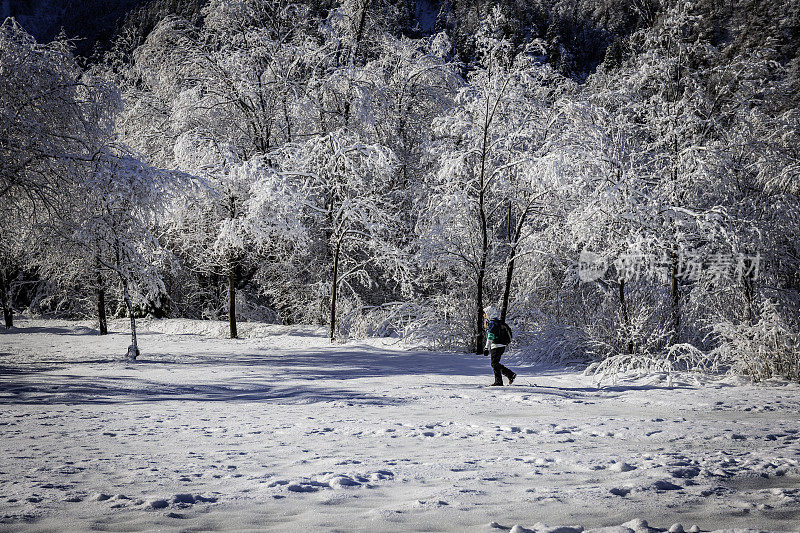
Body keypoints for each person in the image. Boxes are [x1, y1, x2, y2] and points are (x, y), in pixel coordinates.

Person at [483, 306, 516, 386]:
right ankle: (510, 375)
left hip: (496, 345)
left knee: (494, 363)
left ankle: (500, 381)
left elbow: (490, 336)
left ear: (489, 313)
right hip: (502, 345)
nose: (484, 315)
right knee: (495, 363)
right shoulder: (498, 322)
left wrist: (486, 347)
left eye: (485, 314)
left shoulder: (492, 323)